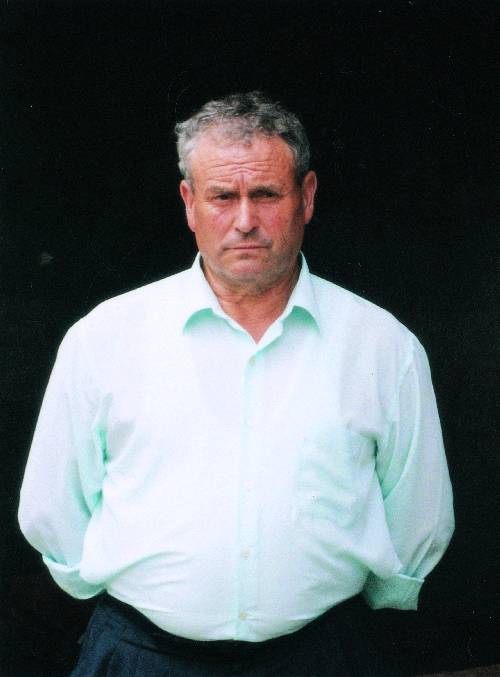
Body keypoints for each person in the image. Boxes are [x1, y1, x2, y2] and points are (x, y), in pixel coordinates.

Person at [18, 91, 454, 676]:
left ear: (307, 196)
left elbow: (418, 514)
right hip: (141, 659)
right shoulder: (105, 337)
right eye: (223, 196)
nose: (245, 221)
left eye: (266, 194)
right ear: (189, 203)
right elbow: (53, 508)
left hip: (321, 658)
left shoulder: (381, 345)